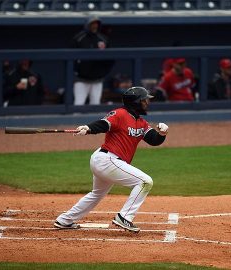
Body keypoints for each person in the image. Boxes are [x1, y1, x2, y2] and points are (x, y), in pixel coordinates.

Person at [54, 86, 169, 233]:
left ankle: (65, 220)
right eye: (144, 100)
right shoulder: (120, 114)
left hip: (108, 161)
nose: (147, 103)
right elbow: (104, 124)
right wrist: (88, 128)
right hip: (107, 159)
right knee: (145, 181)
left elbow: (154, 140)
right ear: (136, 102)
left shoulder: (141, 123)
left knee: (96, 194)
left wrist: (162, 133)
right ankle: (124, 217)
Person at [71, 16, 114, 105]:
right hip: (81, 79)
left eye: (96, 24)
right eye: (92, 24)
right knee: (79, 104)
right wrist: (76, 71)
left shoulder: (103, 39)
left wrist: (103, 72)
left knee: (95, 104)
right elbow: (71, 58)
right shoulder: (79, 38)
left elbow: (110, 58)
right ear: (87, 25)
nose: (94, 26)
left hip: (97, 79)